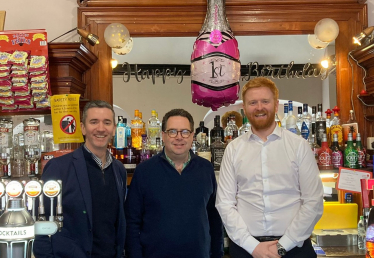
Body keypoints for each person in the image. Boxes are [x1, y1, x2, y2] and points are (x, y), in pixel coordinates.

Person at [216, 77, 323, 258]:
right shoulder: (233, 149)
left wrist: (283, 246)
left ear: (276, 105)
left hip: (294, 248)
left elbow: (313, 201)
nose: (259, 107)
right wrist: (253, 247)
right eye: (252, 103)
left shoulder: (299, 146)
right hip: (246, 249)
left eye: (265, 101)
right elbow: (224, 204)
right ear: (244, 109)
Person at [33, 100, 127, 258]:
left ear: (114, 129)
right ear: (83, 128)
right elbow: (39, 223)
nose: (101, 128)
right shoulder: (59, 167)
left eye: (107, 122)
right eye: (94, 122)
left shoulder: (119, 170)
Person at [125, 108, 223, 258]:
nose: (179, 137)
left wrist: (217, 254)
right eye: (172, 132)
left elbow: (214, 218)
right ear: (163, 135)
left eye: (184, 132)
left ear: (192, 136)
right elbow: (132, 222)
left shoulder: (205, 168)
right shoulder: (144, 171)